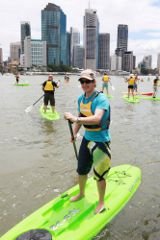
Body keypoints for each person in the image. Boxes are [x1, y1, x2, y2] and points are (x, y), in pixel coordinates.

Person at [64, 69, 111, 214]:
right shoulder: (81, 99)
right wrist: (74, 133)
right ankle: (81, 193)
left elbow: (97, 118)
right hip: (87, 140)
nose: (85, 84)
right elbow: (80, 116)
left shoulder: (101, 99)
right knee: (81, 170)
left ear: (94, 82)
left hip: (101, 142)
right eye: (82, 81)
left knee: (100, 175)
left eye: (88, 82)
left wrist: (75, 119)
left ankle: (101, 202)